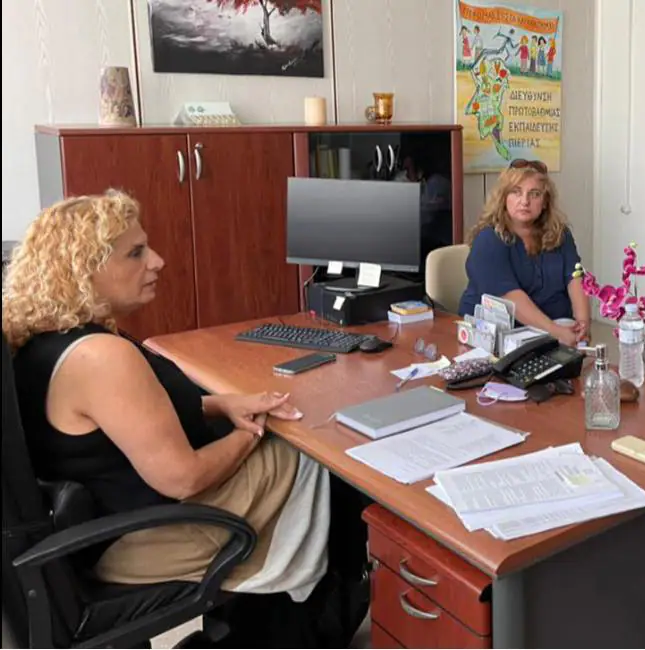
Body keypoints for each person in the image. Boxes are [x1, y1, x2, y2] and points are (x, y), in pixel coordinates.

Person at [2, 192, 369, 646]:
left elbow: (119, 421)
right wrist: (253, 430)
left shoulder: (43, 340)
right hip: (152, 535)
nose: (157, 261)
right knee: (318, 448)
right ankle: (311, 617)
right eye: (136, 253)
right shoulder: (100, 356)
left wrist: (223, 404)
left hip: (96, 530)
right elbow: (183, 478)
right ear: (84, 270)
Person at [458, 159, 591, 346]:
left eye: (534, 194)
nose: (525, 201)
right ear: (504, 198)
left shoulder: (560, 234)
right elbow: (511, 299)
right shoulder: (488, 240)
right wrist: (556, 332)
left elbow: (575, 277)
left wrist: (583, 325)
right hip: (499, 340)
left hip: (555, 332)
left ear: (545, 202)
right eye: (516, 192)